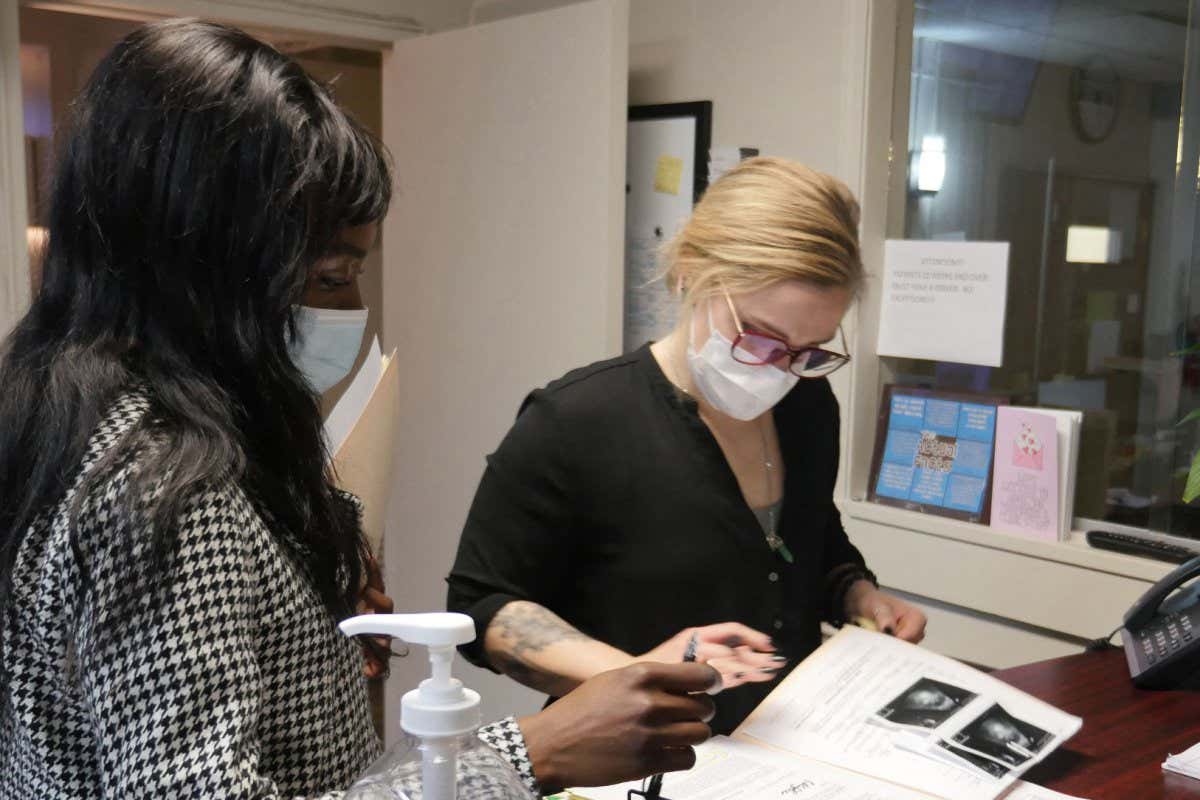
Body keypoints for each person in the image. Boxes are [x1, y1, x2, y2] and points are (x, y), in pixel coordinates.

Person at [0, 19, 719, 799]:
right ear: (199, 270)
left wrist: (301, 624)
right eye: (329, 277)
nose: (354, 309)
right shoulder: (167, 484)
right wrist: (533, 752)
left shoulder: (57, 407)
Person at [447, 157, 928, 735]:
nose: (780, 371)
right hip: (637, 756)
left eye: (810, 349)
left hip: (791, 746)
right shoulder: (578, 419)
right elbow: (481, 606)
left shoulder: (807, 405)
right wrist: (638, 673)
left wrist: (855, 593)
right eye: (760, 337)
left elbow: (807, 538)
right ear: (691, 273)